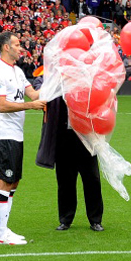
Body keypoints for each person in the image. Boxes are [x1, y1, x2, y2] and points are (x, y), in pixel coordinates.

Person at [0, 31, 46, 245]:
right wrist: (31, 106)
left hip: (16, 135)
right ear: (6, 47)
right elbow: (3, 106)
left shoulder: (18, 72)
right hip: (3, 134)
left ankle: (2, 229)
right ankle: (1, 234)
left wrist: (57, 83)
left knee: (14, 181)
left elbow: (34, 95)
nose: (21, 48)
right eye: (17, 44)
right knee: (5, 180)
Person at [34, 73, 104, 232]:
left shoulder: (86, 73)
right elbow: (38, 83)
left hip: (86, 137)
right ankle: (65, 219)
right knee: (65, 181)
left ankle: (95, 220)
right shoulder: (54, 74)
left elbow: (102, 88)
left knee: (92, 179)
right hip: (62, 136)